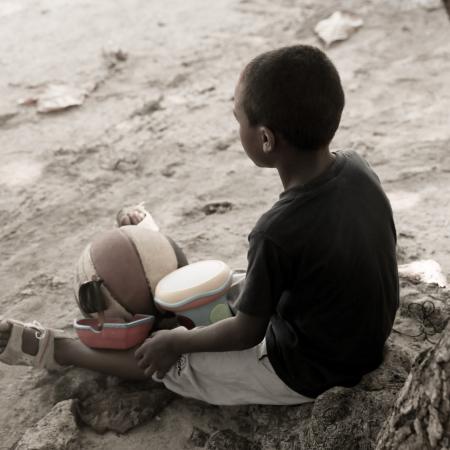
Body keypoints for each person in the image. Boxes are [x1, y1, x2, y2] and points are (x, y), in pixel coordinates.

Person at [0, 45, 399, 405]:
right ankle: (156, 261)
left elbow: (247, 333)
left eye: (237, 118)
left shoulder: (275, 231)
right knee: (228, 287)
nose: (235, 127)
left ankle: (59, 350)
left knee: (167, 358)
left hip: (310, 370)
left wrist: (179, 341)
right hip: (353, 335)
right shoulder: (357, 167)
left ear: (264, 139)